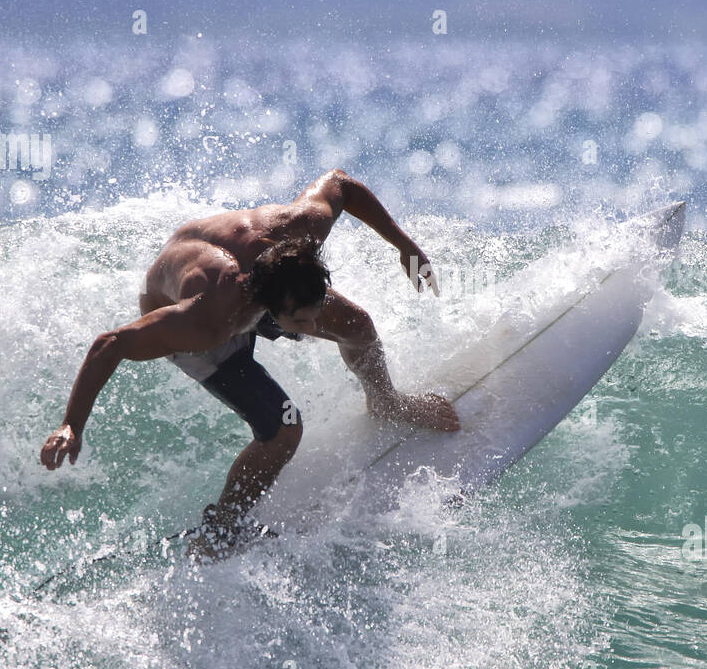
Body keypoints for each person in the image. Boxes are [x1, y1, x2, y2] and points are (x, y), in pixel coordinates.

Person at [39, 169, 459, 557]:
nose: (312, 327)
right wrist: (72, 424)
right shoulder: (204, 322)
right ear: (268, 309)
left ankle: (385, 401)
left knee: (356, 324)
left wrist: (405, 246)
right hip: (197, 301)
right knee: (285, 428)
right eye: (301, 322)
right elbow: (110, 343)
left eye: (311, 314)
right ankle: (221, 530)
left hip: (250, 273)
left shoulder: (299, 229)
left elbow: (341, 184)